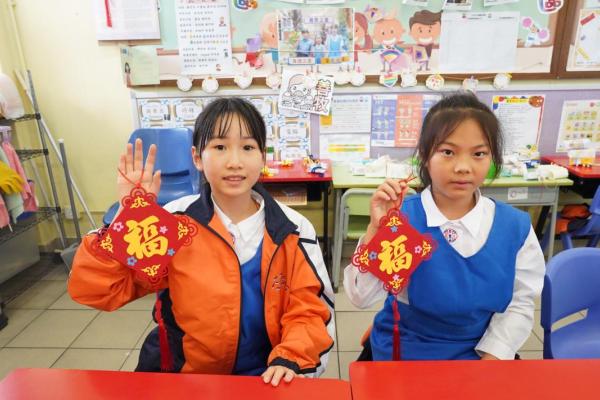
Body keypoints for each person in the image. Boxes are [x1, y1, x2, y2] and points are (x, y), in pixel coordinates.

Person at [68, 98, 335, 386]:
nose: (234, 162)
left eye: (247, 147)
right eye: (219, 147)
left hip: (264, 378)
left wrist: (290, 357)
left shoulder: (294, 229)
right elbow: (99, 291)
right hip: (184, 377)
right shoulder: (172, 222)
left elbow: (308, 310)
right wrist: (125, 218)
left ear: (263, 157)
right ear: (197, 157)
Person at [344, 93, 545, 361]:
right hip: (406, 351)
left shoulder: (514, 227)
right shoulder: (404, 219)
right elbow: (361, 297)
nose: (463, 167)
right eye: (448, 152)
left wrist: (492, 357)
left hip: (483, 350)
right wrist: (376, 230)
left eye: (479, 154)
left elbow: (519, 302)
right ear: (425, 155)